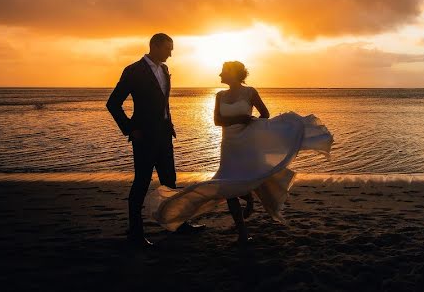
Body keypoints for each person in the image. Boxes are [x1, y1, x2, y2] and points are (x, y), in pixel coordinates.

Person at [147, 60, 333, 244]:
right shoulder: (220, 95)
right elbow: (218, 121)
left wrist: (253, 129)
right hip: (229, 145)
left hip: (247, 143)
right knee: (227, 185)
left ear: (233, 73)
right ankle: (243, 232)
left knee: (249, 177)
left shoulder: (250, 92)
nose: (220, 74)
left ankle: (249, 202)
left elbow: (265, 114)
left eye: (223, 71)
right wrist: (242, 118)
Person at [106, 33, 204, 248]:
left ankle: (178, 224)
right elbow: (113, 103)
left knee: (170, 181)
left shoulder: (165, 70)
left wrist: (169, 125)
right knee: (141, 184)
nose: (171, 53)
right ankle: (136, 233)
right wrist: (131, 129)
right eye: (168, 48)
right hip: (144, 137)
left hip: (164, 135)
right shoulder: (133, 71)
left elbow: (163, 103)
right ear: (156, 46)